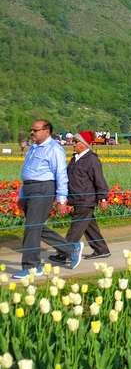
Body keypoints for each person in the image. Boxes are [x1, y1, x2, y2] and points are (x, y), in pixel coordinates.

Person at [14, 119, 79, 279]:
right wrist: (22, 195)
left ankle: (32, 267)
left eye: (35, 130)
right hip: (29, 188)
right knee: (35, 227)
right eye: (32, 130)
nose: (32, 133)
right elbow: (26, 172)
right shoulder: (33, 148)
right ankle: (70, 249)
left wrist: (61, 199)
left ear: (46, 131)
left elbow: (61, 175)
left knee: (32, 227)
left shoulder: (54, 149)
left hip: (43, 188)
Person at [49, 131, 111, 264]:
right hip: (76, 198)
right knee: (89, 226)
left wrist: (103, 198)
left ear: (84, 144)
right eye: (73, 141)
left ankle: (63, 254)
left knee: (75, 228)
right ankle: (102, 250)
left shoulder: (92, 159)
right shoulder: (74, 158)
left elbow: (99, 180)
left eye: (76, 142)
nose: (73, 144)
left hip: (86, 200)